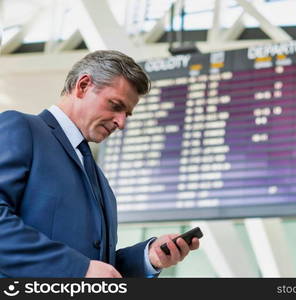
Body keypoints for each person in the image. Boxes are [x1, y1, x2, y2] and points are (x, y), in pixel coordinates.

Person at [0, 50, 199, 277]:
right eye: (115, 105)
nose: (121, 123)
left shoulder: (98, 178)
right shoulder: (22, 128)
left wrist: (148, 257)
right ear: (83, 86)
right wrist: (78, 269)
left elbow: (100, 267)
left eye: (127, 114)